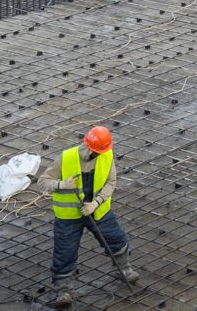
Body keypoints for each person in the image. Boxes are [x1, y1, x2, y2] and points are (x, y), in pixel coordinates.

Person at [47, 125, 140, 309]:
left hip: (97, 210)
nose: (98, 154)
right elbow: (44, 181)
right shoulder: (66, 158)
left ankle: (124, 269)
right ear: (88, 147)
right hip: (69, 215)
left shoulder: (106, 155)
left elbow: (111, 182)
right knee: (65, 252)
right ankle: (64, 290)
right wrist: (62, 184)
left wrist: (95, 203)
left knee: (116, 239)